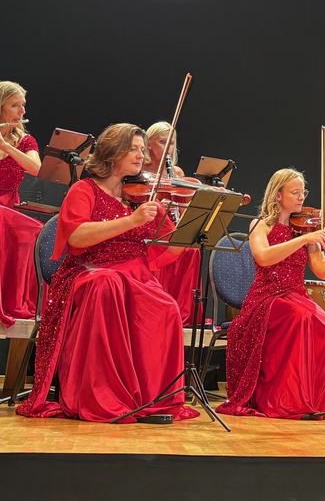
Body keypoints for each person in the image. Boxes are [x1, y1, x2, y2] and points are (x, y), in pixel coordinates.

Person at [16, 123, 197, 423]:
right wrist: (131, 221)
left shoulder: (140, 196)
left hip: (135, 275)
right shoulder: (84, 189)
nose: (142, 155)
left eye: (142, 149)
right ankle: (103, 396)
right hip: (88, 272)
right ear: (113, 152)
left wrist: (194, 217)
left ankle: (151, 399)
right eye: (134, 149)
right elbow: (77, 236)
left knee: (166, 307)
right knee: (107, 284)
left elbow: (172, 244)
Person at [218, 168, 325, 419]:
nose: (301, 197)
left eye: (303, 192)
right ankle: (284, 401)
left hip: (296, 295)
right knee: (299, 318)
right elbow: (264, 257)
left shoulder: (306, 229)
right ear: (278, 195)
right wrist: (302, 241)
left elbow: (322, 271)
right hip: (267, 298)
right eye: (295, 192)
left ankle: (310, 400)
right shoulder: (261, 225)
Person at [142, 121, 199, 325]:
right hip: (148, 227)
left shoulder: (177, 173)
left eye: (172, 143)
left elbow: (182, 208)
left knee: (192, 250)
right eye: (162, 142)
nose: (168, 147)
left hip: (170, 226)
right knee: (162, 244)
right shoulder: (140, 171)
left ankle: (181, 311)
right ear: (148, 144)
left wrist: (180, 210)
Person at [0, 80, 42, 327]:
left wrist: (7, 147)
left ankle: (15, 300)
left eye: (23, 105)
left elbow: (36, 168)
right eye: (15, 105)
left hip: (9, 206)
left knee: (35, 229)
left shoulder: (25, 141)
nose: (22, 111)